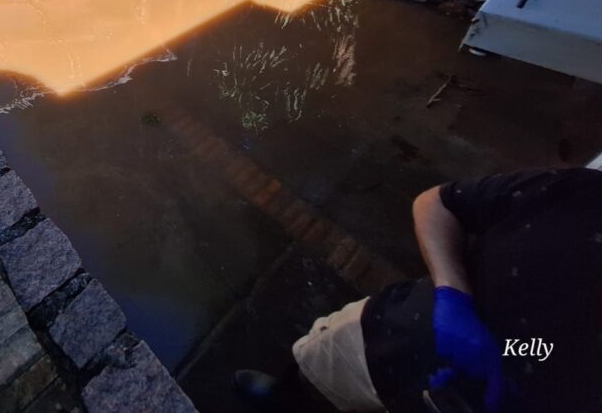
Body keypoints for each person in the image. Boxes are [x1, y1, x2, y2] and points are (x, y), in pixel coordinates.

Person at [234, 167, 602, 412]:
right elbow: (439, 203)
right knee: (319, 376)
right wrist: (451, 293)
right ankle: (293, 398)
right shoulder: (583, 194)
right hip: (387, 340)